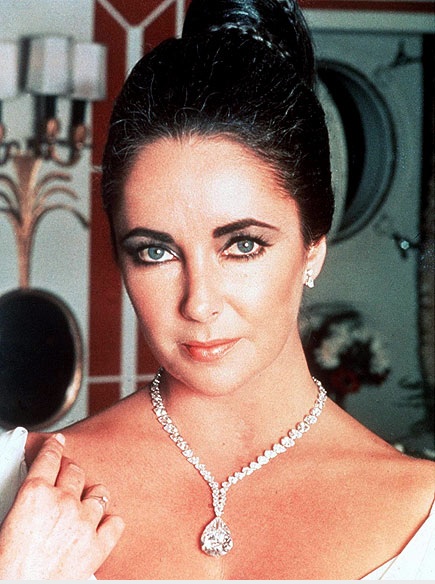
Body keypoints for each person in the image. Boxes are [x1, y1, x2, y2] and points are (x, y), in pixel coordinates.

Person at [0, 0, 434, 579]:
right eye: (155, 251)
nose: (199, 303)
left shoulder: (422, 516)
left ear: (313, 248)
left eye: (243, 245)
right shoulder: (20, 482)